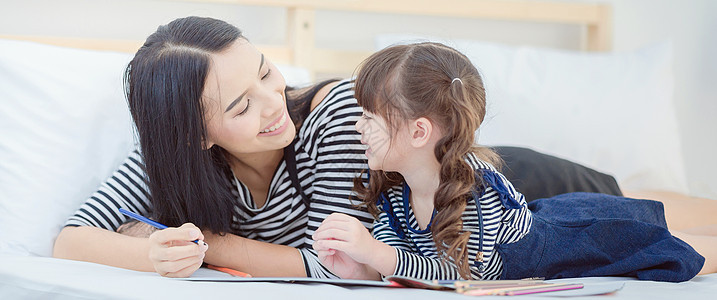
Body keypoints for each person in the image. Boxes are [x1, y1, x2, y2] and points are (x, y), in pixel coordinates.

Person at [311, 42, 717, 282]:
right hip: (556, 233)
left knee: (682, 251)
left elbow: (467, 275)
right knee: (678, 235)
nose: (357, 126)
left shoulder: (475, 184)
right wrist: (362, 268)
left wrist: (378, 254)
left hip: (581, 239)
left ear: (419, 133)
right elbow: (408, 263)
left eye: (369, 117)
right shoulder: (395, 188)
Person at [52, 16, 374, 278]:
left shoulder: (340, 113)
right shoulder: (178, 156)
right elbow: (70, 242)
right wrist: (156, 252)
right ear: (195, 136)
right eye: (242, 107)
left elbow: (340, 267)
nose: (274, 102)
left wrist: (204, 244)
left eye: (265, 73)